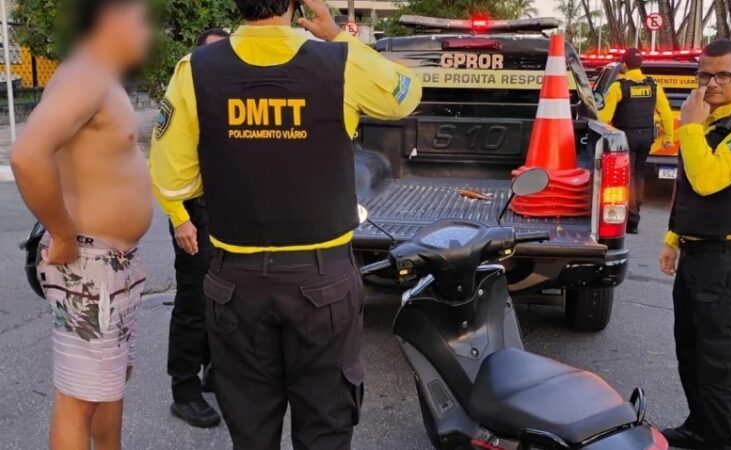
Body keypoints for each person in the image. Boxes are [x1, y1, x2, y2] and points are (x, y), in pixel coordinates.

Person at [148, 0, 422, 448]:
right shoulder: (340, 61)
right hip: (322, 281)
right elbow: (405, 94)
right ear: (296, 4)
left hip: (234, 280)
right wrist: (335, 33)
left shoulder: (195, 70)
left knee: (251, 431)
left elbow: (172, 180)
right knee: (325, 428)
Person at [9, 1, 152, 449]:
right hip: (89, 265)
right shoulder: (86, 74)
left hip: (113, 266)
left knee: (107, 386)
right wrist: (64, 234)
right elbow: (27, 156)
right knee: (79, 398)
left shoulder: (103, 78)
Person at [659, 39, 731, 450]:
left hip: (727, 263)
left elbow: (708, 180)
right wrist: (674, 239)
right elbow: (688, 189)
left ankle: (723, 441)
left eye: (724, 74)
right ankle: (699, 430)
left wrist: (689, 125)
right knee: (691, 354)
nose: (712, 83)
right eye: (704, 74)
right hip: (696, 255)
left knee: (721, 364)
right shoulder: (708, 124)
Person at [154, 27, 230, 429]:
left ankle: (214, 372)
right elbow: (162, 160)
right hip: (194, 214)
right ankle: (184, 393)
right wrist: (179, 219)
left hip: (230, 215)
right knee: (193, 305)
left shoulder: (231, 93)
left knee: (226, 300)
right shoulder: (186, 92)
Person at [599, 48, 674, 235]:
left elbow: (605, 116)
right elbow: (665, 113)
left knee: (627, 177)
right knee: (638, 175)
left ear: (624, 65)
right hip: (646, 137)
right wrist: (668, 137)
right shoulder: (653, 86)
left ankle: (631, 219)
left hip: (626, 137)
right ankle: (635, 214)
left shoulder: (619, 86)